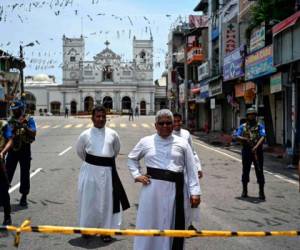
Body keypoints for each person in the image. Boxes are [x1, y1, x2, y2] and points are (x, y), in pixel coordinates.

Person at [128, 109, 201, 250]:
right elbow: (132, 159)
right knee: (150, 222)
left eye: (169, 123)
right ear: (156, 125)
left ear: (173, 125)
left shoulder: (182, 143)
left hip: (176, 190)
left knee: (172, 223)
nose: (165, 126)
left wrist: (195, 192)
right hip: (152, 191)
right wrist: (137, 175)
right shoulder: (146, 141)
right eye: (161, 123)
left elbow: (191, 170)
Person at [76, 105, 130, 242]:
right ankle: (87, 229)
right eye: (98, 116)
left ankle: (106, 231)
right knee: (89, 201)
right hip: (90, 172)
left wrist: (103, 162)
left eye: (103, 117)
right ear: (92, 118)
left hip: (107, 173)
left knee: (107, 202)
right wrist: (94, 163)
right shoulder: (85, 135)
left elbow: (116, 150)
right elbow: (80, 152)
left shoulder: (113, 134)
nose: (101, 119)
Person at [6, 100, 37, 207]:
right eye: (13, 110)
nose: (14, 112)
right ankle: (3, 195)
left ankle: (24, 196)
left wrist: (24, 126)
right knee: (7, 173)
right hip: (12, 150)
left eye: (16, 110)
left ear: (21, 109)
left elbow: (33, 134)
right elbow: (8, 135)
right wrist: (13, 130)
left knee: (24, 174)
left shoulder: (29, 119)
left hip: (24, 150)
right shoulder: (10, 121)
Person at [236, 107, 266, 200]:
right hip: (246, 151)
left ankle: (261, 191)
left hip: (257, 151)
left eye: (253, 114)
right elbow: (236, 136)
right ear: (247, 116)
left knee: (259, 171)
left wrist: (256, 147)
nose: (252, 116)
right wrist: (244, 139)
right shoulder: (243, 126)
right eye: (250, 115)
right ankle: (244, 190)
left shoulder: (260, 126)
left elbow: (263, 136)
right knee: (245, 170)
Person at [173, 112, 203, 179]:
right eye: (174, 121)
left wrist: (198, 168)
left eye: (179, 121)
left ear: (182, 122)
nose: (177, 123)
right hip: (172, 171)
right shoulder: (168, 135)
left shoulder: (186, 133)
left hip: (186, 171)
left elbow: (192, 152)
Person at [0, 119, 13, 225]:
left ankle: (7, 217)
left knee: (3, 190)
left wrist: (3, 152)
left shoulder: (3, 124)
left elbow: (10, 140)